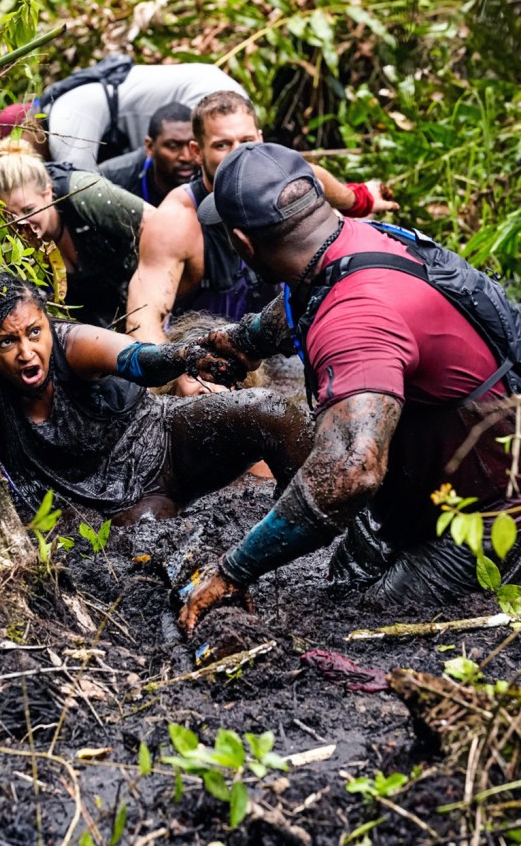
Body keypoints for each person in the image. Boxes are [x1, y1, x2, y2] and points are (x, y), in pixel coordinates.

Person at [178, 142, 521, 635]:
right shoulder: (357, 241)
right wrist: (245, 342)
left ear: (243, 244)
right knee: (343, 577)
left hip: (491, 515)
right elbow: (299, 303)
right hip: (437, 490)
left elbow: (352, 470)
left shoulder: (354, 319)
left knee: (367, 627)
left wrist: (234, 570)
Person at [0, 273, 313, 525]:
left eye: (34, 333)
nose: (27, 352)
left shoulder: (72, 344)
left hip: (161, 439)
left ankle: (325, 519)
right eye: (7, 342)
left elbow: (137, 358)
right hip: (115, 501)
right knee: (148, 528)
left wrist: (186, 357)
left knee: (269, 411)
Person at [126, 91, 399, 345]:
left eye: (246, 142)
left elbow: (316, 176)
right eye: (222, 145)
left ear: (260, 139)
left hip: (277, 345)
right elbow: (142, 323)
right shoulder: (175, 220)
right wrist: (176, 371)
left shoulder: (287, 178)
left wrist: (361, 200)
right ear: (197, 152)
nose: (238, 154)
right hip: (206, 353)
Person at [0, 141, 154, 328]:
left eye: (28, 210)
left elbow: (158, 224)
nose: (22, 222)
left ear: (48, 193)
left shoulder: (81, 192)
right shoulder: (8, 241)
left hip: (144, 293)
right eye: (11, 215)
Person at [4, 62, 248, 171]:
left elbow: (79, 187)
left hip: (209, 94)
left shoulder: (66, 117)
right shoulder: (67, 102)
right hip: (219, 88)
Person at [98, 102, 197, 207]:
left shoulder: (208, 171)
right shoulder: (110, 177)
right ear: (150, 147)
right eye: (173, 146)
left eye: (193, 145)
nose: (187, 157)